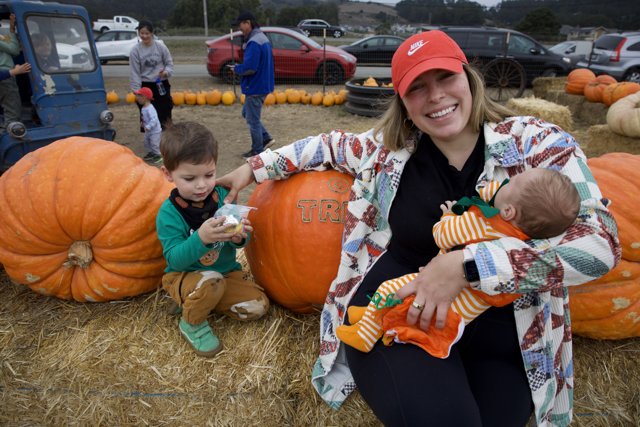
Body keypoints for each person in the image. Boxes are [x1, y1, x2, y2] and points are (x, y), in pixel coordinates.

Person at [216, 30, 619, 426]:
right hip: (398, 318)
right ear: (404, 102)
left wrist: (468, 265)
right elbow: (326, 145)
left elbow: (601, 244)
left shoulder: (537, 143)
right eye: (418, 87)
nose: (437, 96)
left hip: (503, 334)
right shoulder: (386, 153)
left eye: (446, 78)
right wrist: (252, 168)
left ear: (469, 78)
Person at [337, 168, 581, 357]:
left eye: (514, 182)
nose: (509, 180)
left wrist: (448, 216)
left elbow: (443, 236)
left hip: (443, 298)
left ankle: (364, 334)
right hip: (464, 311)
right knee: (396, 298)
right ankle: (372, 315)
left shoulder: (483, 224)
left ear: (508, 212)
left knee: (389, 289)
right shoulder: (522, 243)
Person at [157, 121, 270, 357]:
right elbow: (174, 260)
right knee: (209, 281)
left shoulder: (222, 197)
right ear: (168, 174)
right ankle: (192, 322)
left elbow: (239, 242)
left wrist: (239, 237)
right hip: (185, 274)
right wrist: (201, 238)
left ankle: (200, 301)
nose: (201, 185)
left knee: (258, 306)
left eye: (209, 175)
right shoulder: (168, 214)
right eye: (189, 179)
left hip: (226, 274)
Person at [229, 11, 275, 158]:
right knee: (246, 113)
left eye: (240, 25)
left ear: (248, 23)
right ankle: (266, 137)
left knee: (252, 120)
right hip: (263, 84)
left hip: (255, 86)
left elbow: (250, 68)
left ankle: (257, 150)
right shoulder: (262, 38)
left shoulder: (254, 42)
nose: (239, 29)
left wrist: (236, 69)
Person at [129, 20, 173, 130]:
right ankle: (151, 137)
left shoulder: (161, 47)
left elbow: (169, 63)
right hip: (145, 86)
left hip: (160, 84)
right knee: (147, 113)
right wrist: (136, 90)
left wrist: (166, 72)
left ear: (152, 33)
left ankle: (165, 136)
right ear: (138, 33)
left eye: (147, 33)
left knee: (164, 110)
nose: (144, 36)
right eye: (142, 33)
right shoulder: (135, 51)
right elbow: (135, 72)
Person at [0, 13, 22, 127]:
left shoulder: (1, 37)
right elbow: (14, 50)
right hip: (5, 78)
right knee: (12, 112)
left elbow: (8, 41)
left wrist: (12, 27)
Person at [133, 87, 162, 165]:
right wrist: (143, 123)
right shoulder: (144, 108)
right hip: (148, 130)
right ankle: (151, 153)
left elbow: (154, 119)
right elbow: (144, 117)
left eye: (139, 96)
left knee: (154, 143)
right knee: (147, 142)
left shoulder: (150, 108)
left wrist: (148, 126)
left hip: (155, 131)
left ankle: (158, 155)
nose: (137, 98)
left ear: (144, 97)